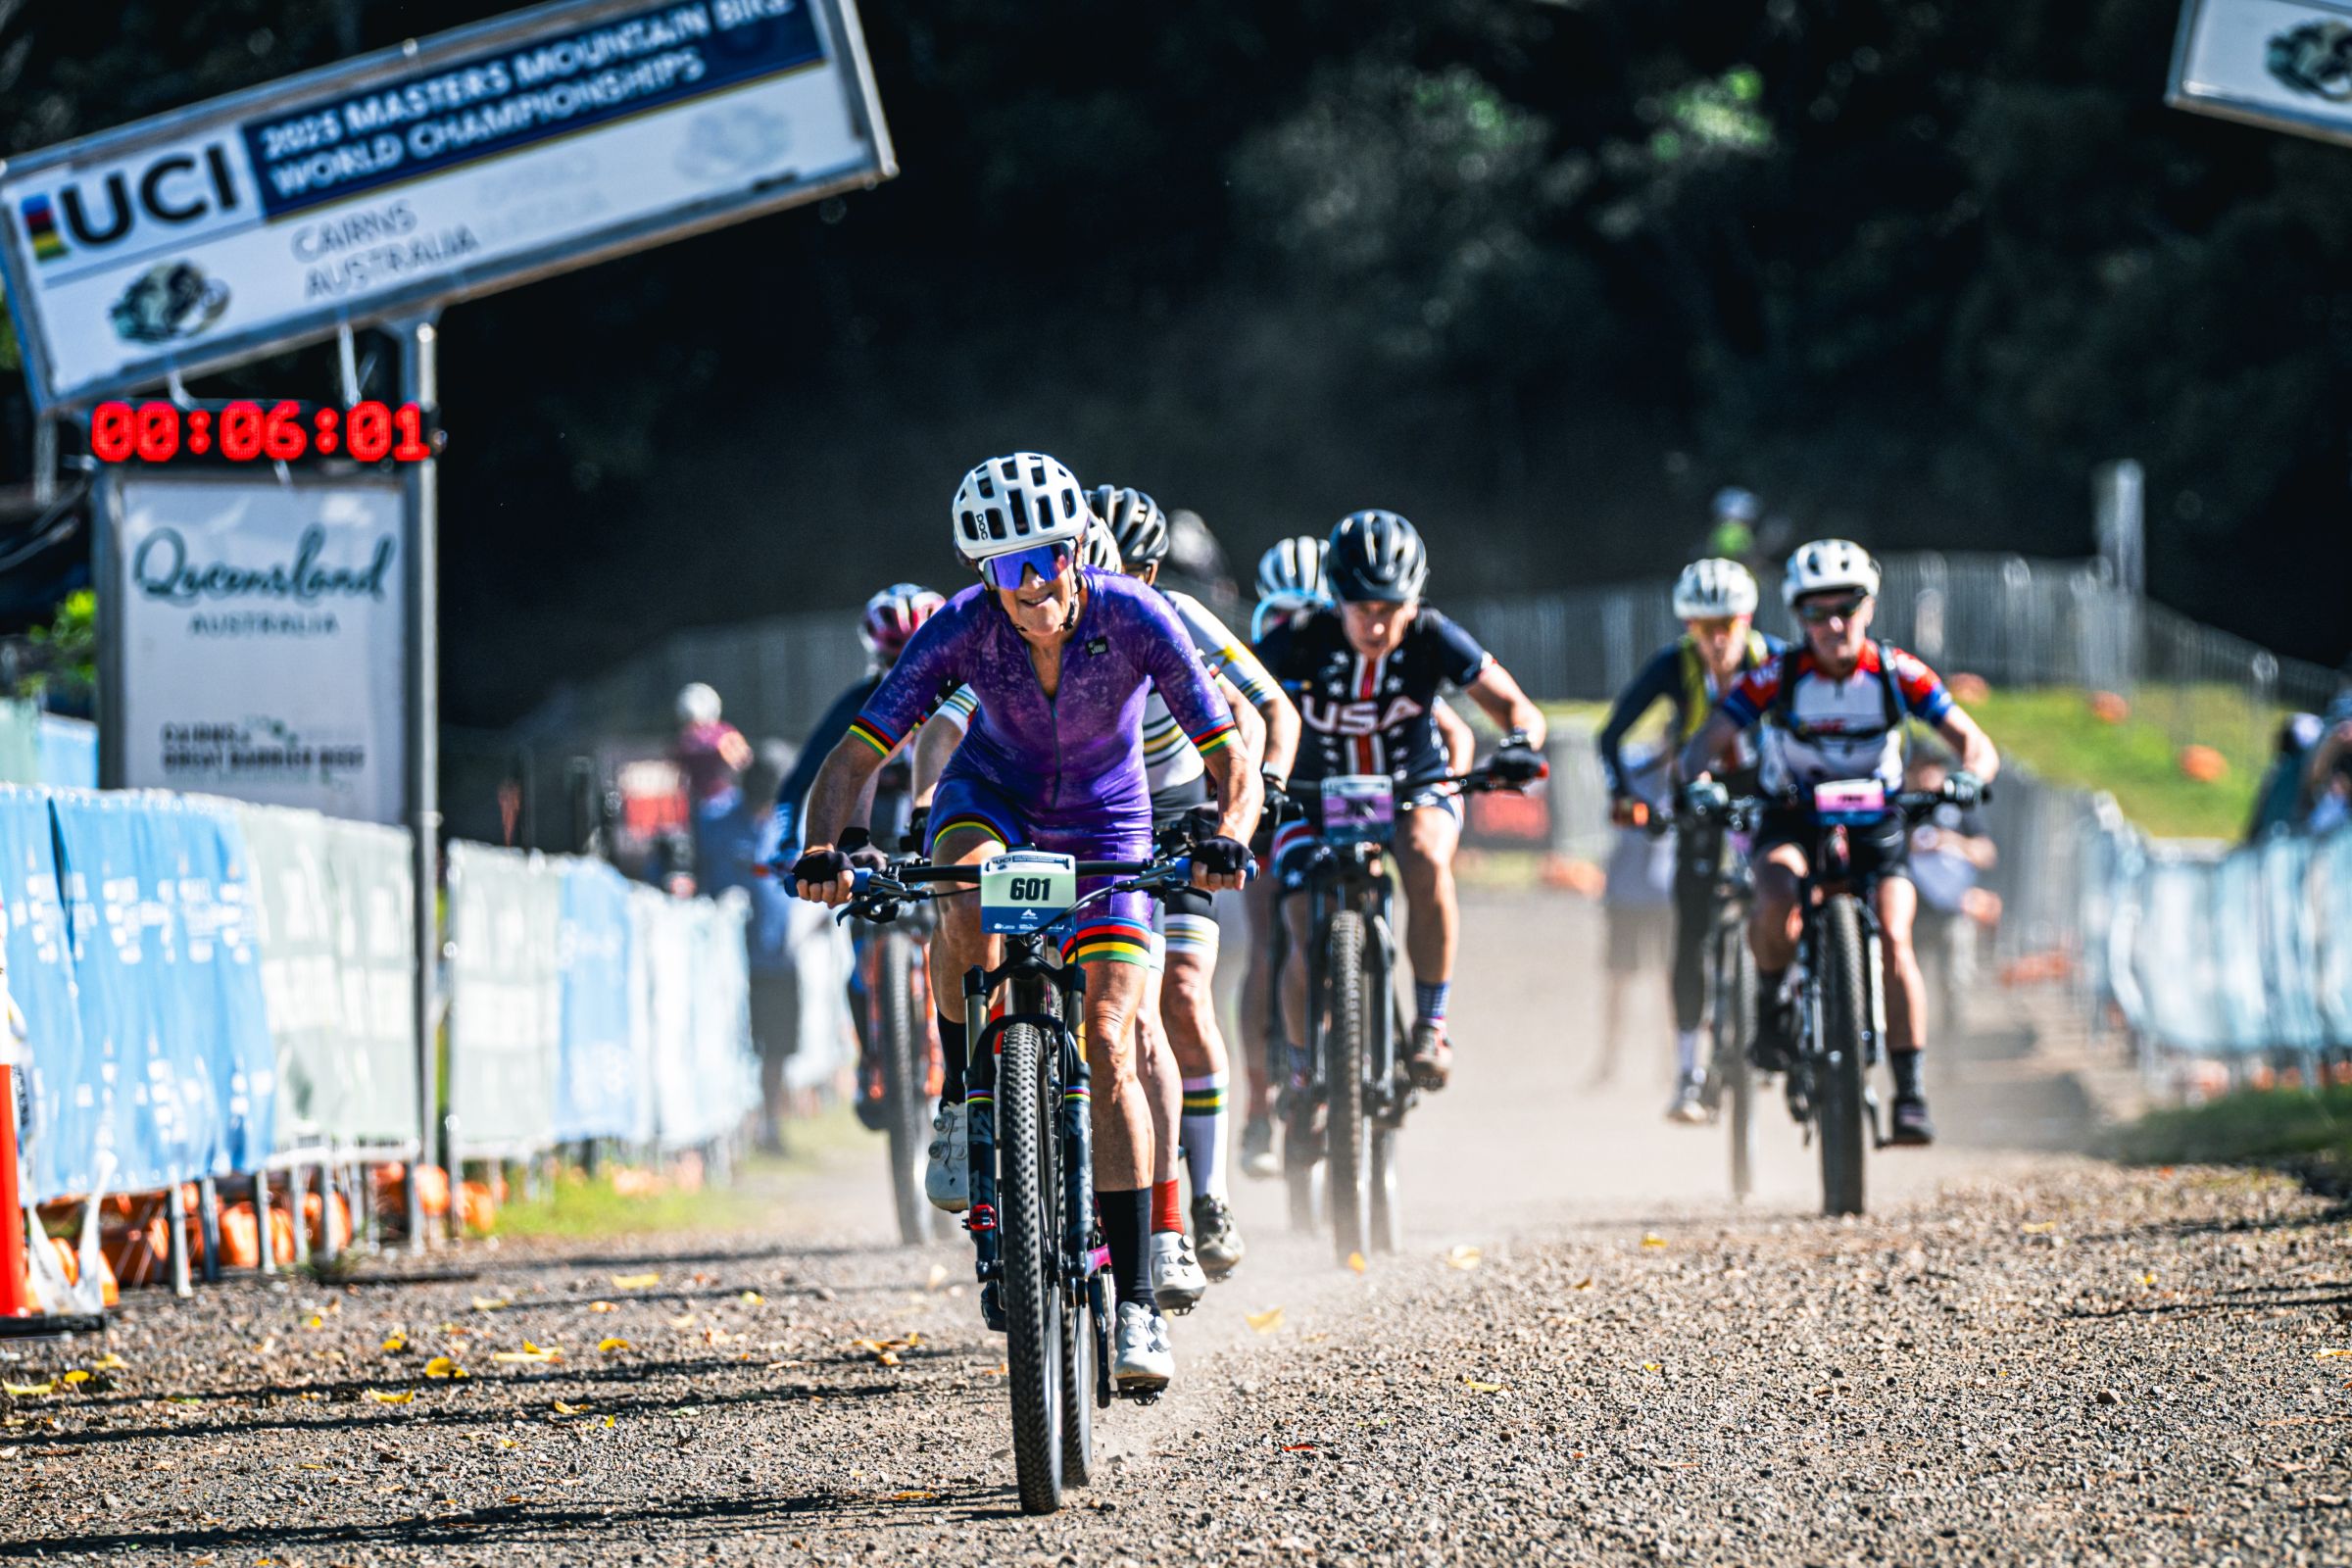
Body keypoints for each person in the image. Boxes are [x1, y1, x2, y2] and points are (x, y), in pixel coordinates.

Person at [787, 452, 1260, 1394]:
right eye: (1009, 568)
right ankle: (966, 1099)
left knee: (1112, 1035)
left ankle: (1133, 1303)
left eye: (1047, 555)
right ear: (981, 575)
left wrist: (1229, 834)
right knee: (957, 888)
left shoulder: (1136, 615)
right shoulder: (961, 631)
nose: (1034, 583)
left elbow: (1231, 756)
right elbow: (856, 756)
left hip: (1108, 817)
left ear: (1079, 547)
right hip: (992, 798)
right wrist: (828, 849)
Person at [1678, 539, 2000, 1147]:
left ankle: (1910, 1092)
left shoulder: (1897, 673)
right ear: (1797, 618)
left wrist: (1969, 778)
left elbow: (1976, 744)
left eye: (1846, 608)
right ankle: (1773, 1006)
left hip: (1877, 824)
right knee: (1773, 892)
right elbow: (1707, 739)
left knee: (1896, 937)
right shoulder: (1779, 675)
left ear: (1869, 607)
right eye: (1815, 612)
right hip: (1794, 816)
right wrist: (1699, 783)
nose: (1832, 625)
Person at [1254, 509, 1545, 1091]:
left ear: (1415, 600)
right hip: (1313, 797)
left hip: (1414, 787)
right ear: (1336, 597)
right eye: (1364, 609)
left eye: (1393, 609)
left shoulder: (1433, 634)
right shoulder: (1297, 639)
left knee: (1425, 856)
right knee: (1297, 920)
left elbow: (1519, 710)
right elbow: (1231, 706)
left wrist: (1518, 746)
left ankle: (1430, 1024)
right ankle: (1303, 1068)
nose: (1380, 625)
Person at [1597, 559, 1782, 1122]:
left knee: (1791, 890)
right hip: (1697, 795)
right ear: (1689, 628)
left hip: (1765, 788)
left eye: (1728, 622)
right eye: (1705, 626)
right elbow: (1612, 736)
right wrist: (1628, 797)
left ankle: (1793, 1010)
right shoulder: (1673, 666)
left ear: (1748, 619)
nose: (1718, 637)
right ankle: (1687, 1071)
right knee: (1692, 924)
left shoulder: (1776, 661)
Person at [773, 583, 947, 1129]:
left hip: (943, 838)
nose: (908, 672)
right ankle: (876, 1054)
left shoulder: (966, 695)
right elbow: (799, 782)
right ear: (877, 658)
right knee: (858, 945)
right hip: (869, 845)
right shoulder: (859, 703)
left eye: (919, 655)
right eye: (896, 660)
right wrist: (788, 844)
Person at [696, 740, 802, 1150]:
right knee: (730, 1043)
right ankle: (729, 1128)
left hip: (777, 959)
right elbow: (689, 870)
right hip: (723, 963)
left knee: (777, 1048)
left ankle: (768, 1125)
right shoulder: (713, 819)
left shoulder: (791, 824)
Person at [1592, 748, 1677, 1090]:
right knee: (1618, 982)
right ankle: (1608, 1062)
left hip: (1667, 897)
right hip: (1627, 894)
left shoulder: (1690, 777)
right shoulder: (1633, 770)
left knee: (1670, 984)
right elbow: (1619, 813)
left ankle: (1671, 1064)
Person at [1905, 751, 1999, 1047]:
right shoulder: (1902, 809)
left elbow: (1987, 853)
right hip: (1912, 915)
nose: (1925, 776)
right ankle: (1909, 1044)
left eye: (1931, 768)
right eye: (1919, 769)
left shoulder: (1961, 809)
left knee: (1954, 984)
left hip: (1953, 913)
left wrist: (1950, 842)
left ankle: (1950, 1049)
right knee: (1908, 983)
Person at [673, 682, 753, 813]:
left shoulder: (724, 735)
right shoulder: (725, 733)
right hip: (712, 801)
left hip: (722, 800)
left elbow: (744, 763)